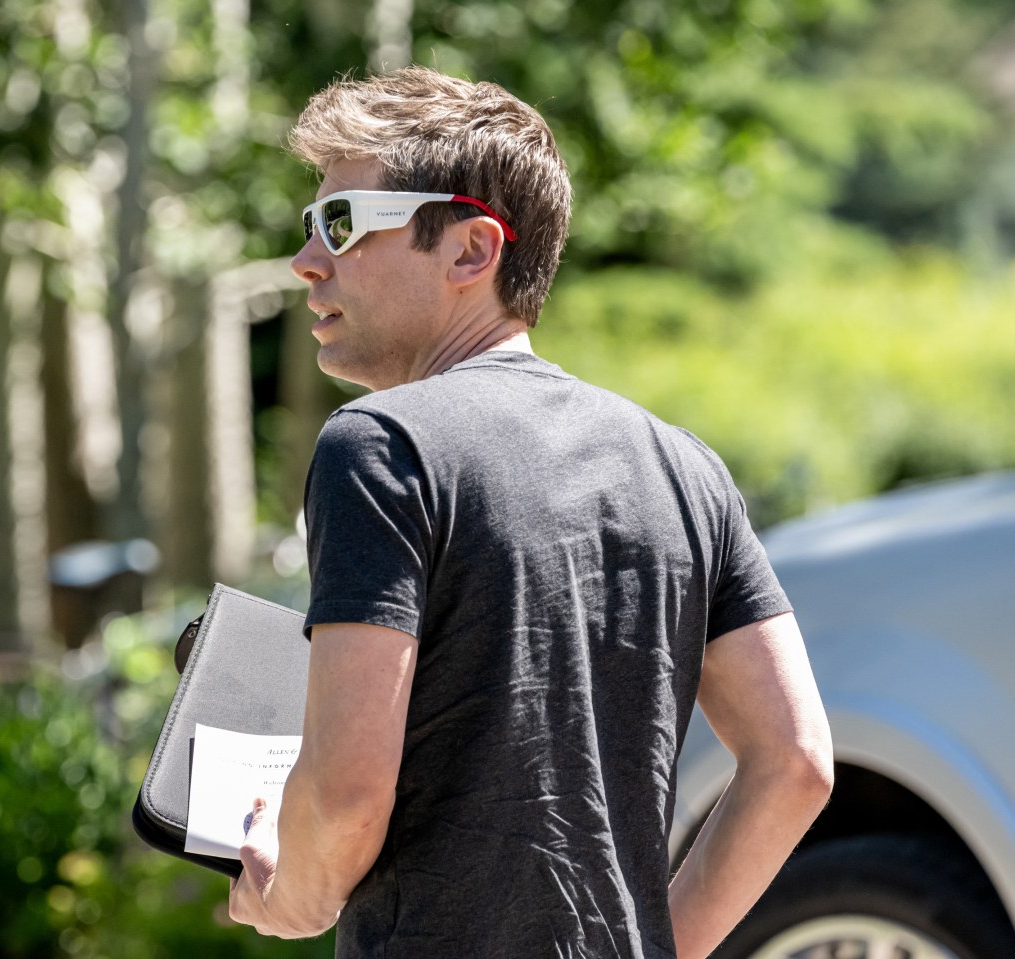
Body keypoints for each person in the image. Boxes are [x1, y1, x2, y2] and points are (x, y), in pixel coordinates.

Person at [227, 67, 834, 959]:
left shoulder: (380, 443)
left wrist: (293, 896)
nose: (307, 260)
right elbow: (797, 762)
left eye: (343, 224)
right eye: (309, 227)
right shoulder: (685, 467)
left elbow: (348, 795)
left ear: (472, 251)